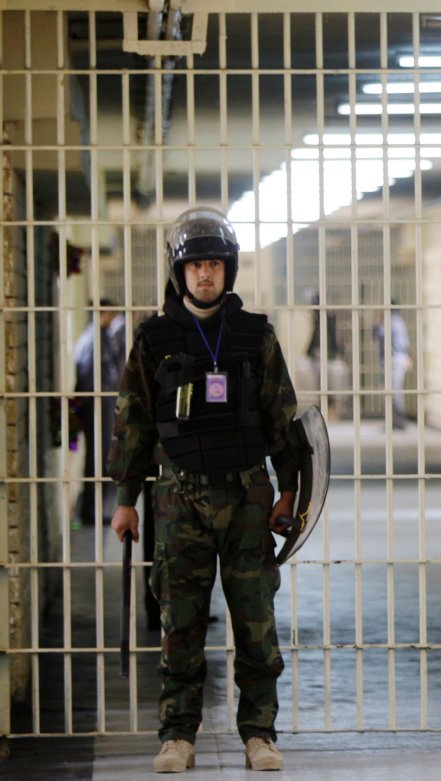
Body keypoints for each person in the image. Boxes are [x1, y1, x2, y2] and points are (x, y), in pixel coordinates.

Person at [107, 207, 299, 773]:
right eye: (195, 266)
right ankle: (178, 736)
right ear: (179, 272)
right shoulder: (154, 338)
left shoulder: (255, 336)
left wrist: (288, 490)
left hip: (246, 499)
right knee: (180, 625)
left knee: (255, 623)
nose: (205, 275)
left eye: (214, 264)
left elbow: (281, 418)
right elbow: (133, 421)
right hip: (177, 500)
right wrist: (124, 499)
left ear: (228, 270)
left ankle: (259, 735)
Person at [73, 298, 126, 526]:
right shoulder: (93, 339)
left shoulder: (98, 337)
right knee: (96, 457)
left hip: (100, 405)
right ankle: (89, 511)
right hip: (95, 406)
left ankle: (93, 509)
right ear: (101, 313)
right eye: (110, 314)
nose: (113, 318)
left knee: (100, 456)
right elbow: (88, 375)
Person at [374, 307, 413, 429]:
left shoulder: (390, 321)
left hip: (393, 359)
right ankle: (396, 421)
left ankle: (397, 421)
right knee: (395, 391)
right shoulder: (399, 321)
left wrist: (379, 322)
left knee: (393, 391)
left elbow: (377, 333)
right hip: (398, 358)